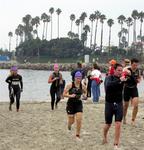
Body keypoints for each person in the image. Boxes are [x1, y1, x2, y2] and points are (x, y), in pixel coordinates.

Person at [103, 63, 126, 149]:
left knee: (118, 123)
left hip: (119, 103)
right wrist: (119, 80)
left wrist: (130, 75)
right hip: (109, 103)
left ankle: (116, 144)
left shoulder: (123, 79)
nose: (120, 72)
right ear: (114, 70)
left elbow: (134, 82)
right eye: (118, 70)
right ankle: (105, 136)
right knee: (108, 124)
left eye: (121, 70)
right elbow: (108, 86)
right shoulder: (109, 78)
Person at [63, 71, 87, 140]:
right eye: (77, 78)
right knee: (72, 120)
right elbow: (63, 94)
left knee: (79, 119)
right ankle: (69, 124)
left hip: (79, 104)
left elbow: (86, 94)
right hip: (70, 104)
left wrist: (84, 96)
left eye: (80, 78)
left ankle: (77, 135)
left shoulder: (83, 86)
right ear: (74, 78)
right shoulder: (70, 85)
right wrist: (70, 95)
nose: (79, 79)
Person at [123, 58, 141, 125]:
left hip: (134, 88)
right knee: (125, 106)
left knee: (136, 105)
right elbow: (122, 78)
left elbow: (139, 79)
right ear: (131, 64)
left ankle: (133, 120)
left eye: (136, 65)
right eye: (134, 65)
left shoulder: (138, 71)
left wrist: (138, 79)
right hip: (126, 88)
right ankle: (124, 117)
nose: (135, 67)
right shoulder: (126, 70)